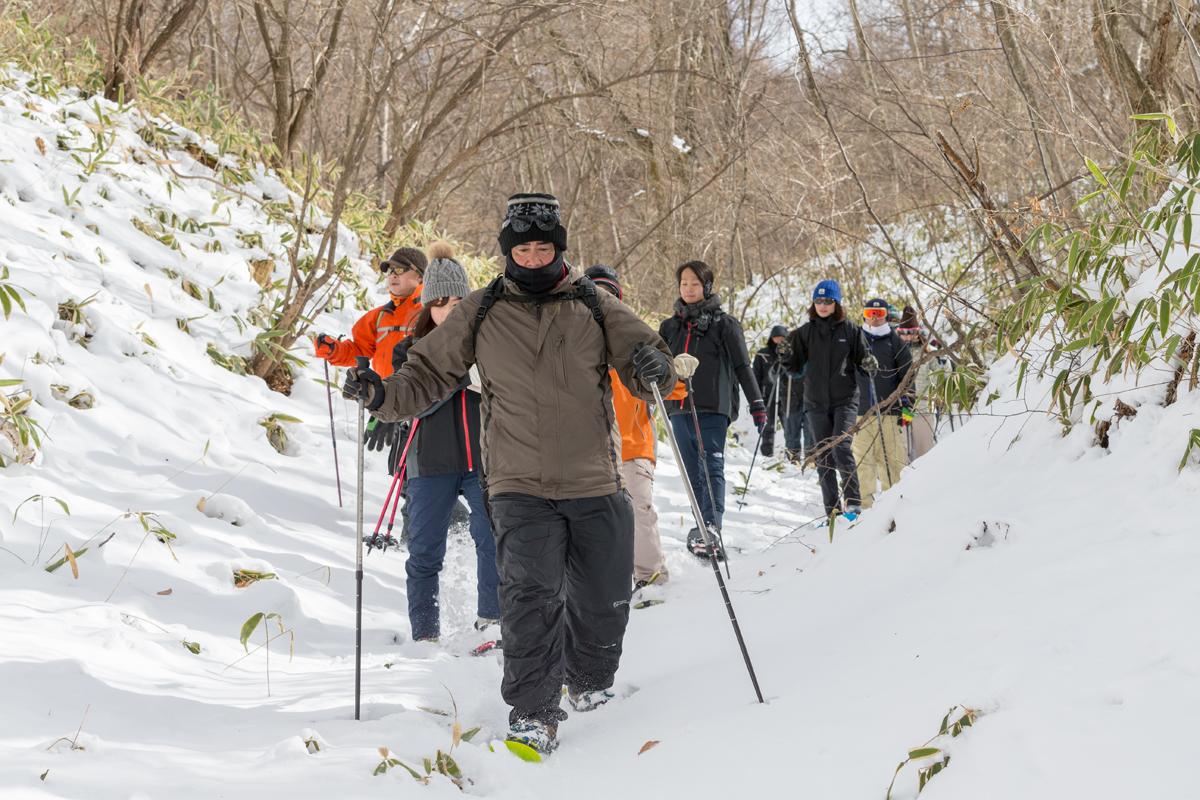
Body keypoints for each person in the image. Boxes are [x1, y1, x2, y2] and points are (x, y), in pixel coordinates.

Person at [342, 193, 677, 755]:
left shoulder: (594, 304)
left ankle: (590, 681)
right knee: (529, 597)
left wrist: (655, 369)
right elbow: (425, 372)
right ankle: (533, 710)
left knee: (601, 598)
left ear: (558, 248)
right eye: (521, 247)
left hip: (595, 479)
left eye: (542, 246)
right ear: (507, 252)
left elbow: (649, 364)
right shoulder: (481, 309)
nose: (532, 256)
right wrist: (381, 393)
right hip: (518, 485)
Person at [389, 242, 499, 642]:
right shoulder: (410, 351)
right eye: (439, 302)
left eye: (457, 301)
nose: (448, 310)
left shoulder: (489, 347)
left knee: (492, 538)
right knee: (424, 553)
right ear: (427, 307)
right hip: (429, 464)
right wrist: (456, 380)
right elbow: (410, 407)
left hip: (483, 460)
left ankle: (492, 620)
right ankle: (425, 634)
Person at [585, 265, 688, 589]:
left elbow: (668, 384)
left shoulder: (633, 340)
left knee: (638, 510)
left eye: (609, 293)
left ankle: (651, 577)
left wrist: (677, 375)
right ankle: (606, 582)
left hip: (634, 443)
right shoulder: (576, 345)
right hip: (590, 450)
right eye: (596, 293)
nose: (603, 299)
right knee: (597, 519)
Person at [658, 260, 766, 558]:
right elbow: (658, 367)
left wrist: (757, 404)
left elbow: (743, 366)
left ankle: (711, 526)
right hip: (678, 408)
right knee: (693, 471)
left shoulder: (725, 325)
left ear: (706, 287)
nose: (689, 289)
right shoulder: (669, 327)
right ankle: (701, 529)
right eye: (684, 284)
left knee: (711, 465)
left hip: (713, 407)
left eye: (694, 283)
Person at [313, 245, 426, 457]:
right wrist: (333, 350)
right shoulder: (379, 316)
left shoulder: (430, 312)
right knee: (396, 465)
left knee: (416, 466)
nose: (392, 275)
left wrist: (401, 406)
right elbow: (360, 350)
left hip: (417, 403)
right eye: (389, 270)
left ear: (419, 276)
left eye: (400, 270)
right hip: (384, 396)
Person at [786, 279, 877, 519]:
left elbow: (865, 362)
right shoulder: (805, 333)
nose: (823, 305)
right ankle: (832, 510)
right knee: (824, 454)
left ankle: (854, 502)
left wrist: (869, 364)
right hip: (815, 403)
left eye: (828, 301)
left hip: (845, 400)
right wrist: (786, 356)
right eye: (818, 300)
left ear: (836, 303)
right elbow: (794, 369)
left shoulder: (851, 330)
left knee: (841, 446)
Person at [853, 298, 912, 508]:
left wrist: (907, 408)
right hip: (861, 413)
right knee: (863, 461)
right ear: (864, 315)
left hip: (890, 412)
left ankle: (893, 505)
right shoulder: (856, 340)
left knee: (892, 460)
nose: (875, 318)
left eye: (879, 313)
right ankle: (863, 506)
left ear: (887, 315)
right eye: (870, 313)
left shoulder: (895, 341)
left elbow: (907, 376)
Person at [897, 305, 945, 460]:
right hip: (902, 407)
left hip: (922, 407)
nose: (908, 336)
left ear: (917, 332)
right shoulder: (894, 350)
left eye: (911, 332)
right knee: (902, 451)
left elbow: (940, 375)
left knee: (924, 450)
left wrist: (942, 362)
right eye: (903, 333)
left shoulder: (927, 351)